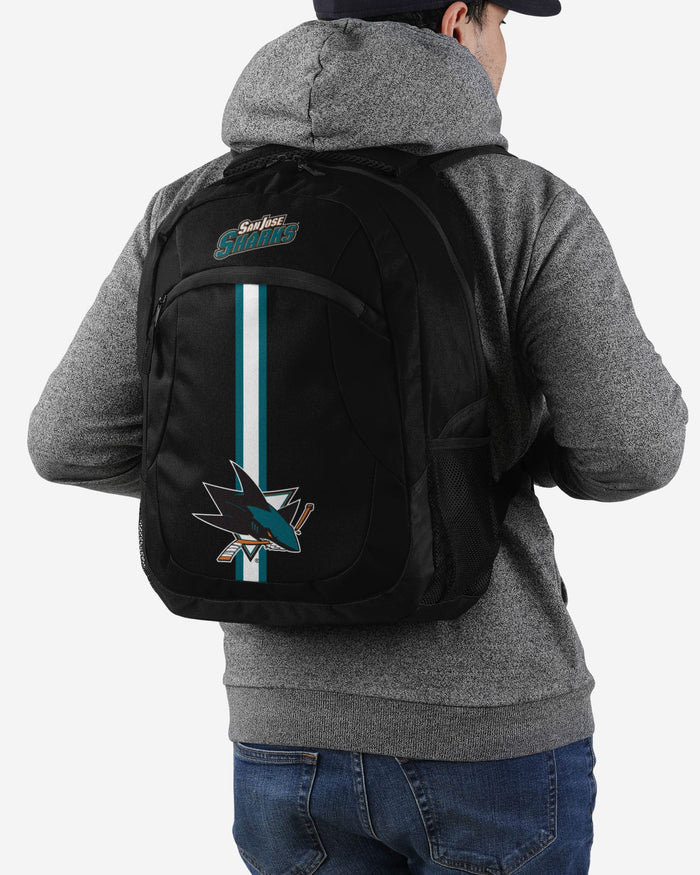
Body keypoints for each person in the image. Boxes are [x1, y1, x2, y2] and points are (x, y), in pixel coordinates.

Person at [27, 1, 688, 872]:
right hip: (487, 727)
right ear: (458, 23)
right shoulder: (520, 203)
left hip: (278, 734)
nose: (502, 50)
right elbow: (636, 448)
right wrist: (491, 446)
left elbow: (68, 440)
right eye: (502, 24)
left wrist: (278, 476)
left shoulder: (189, 205)